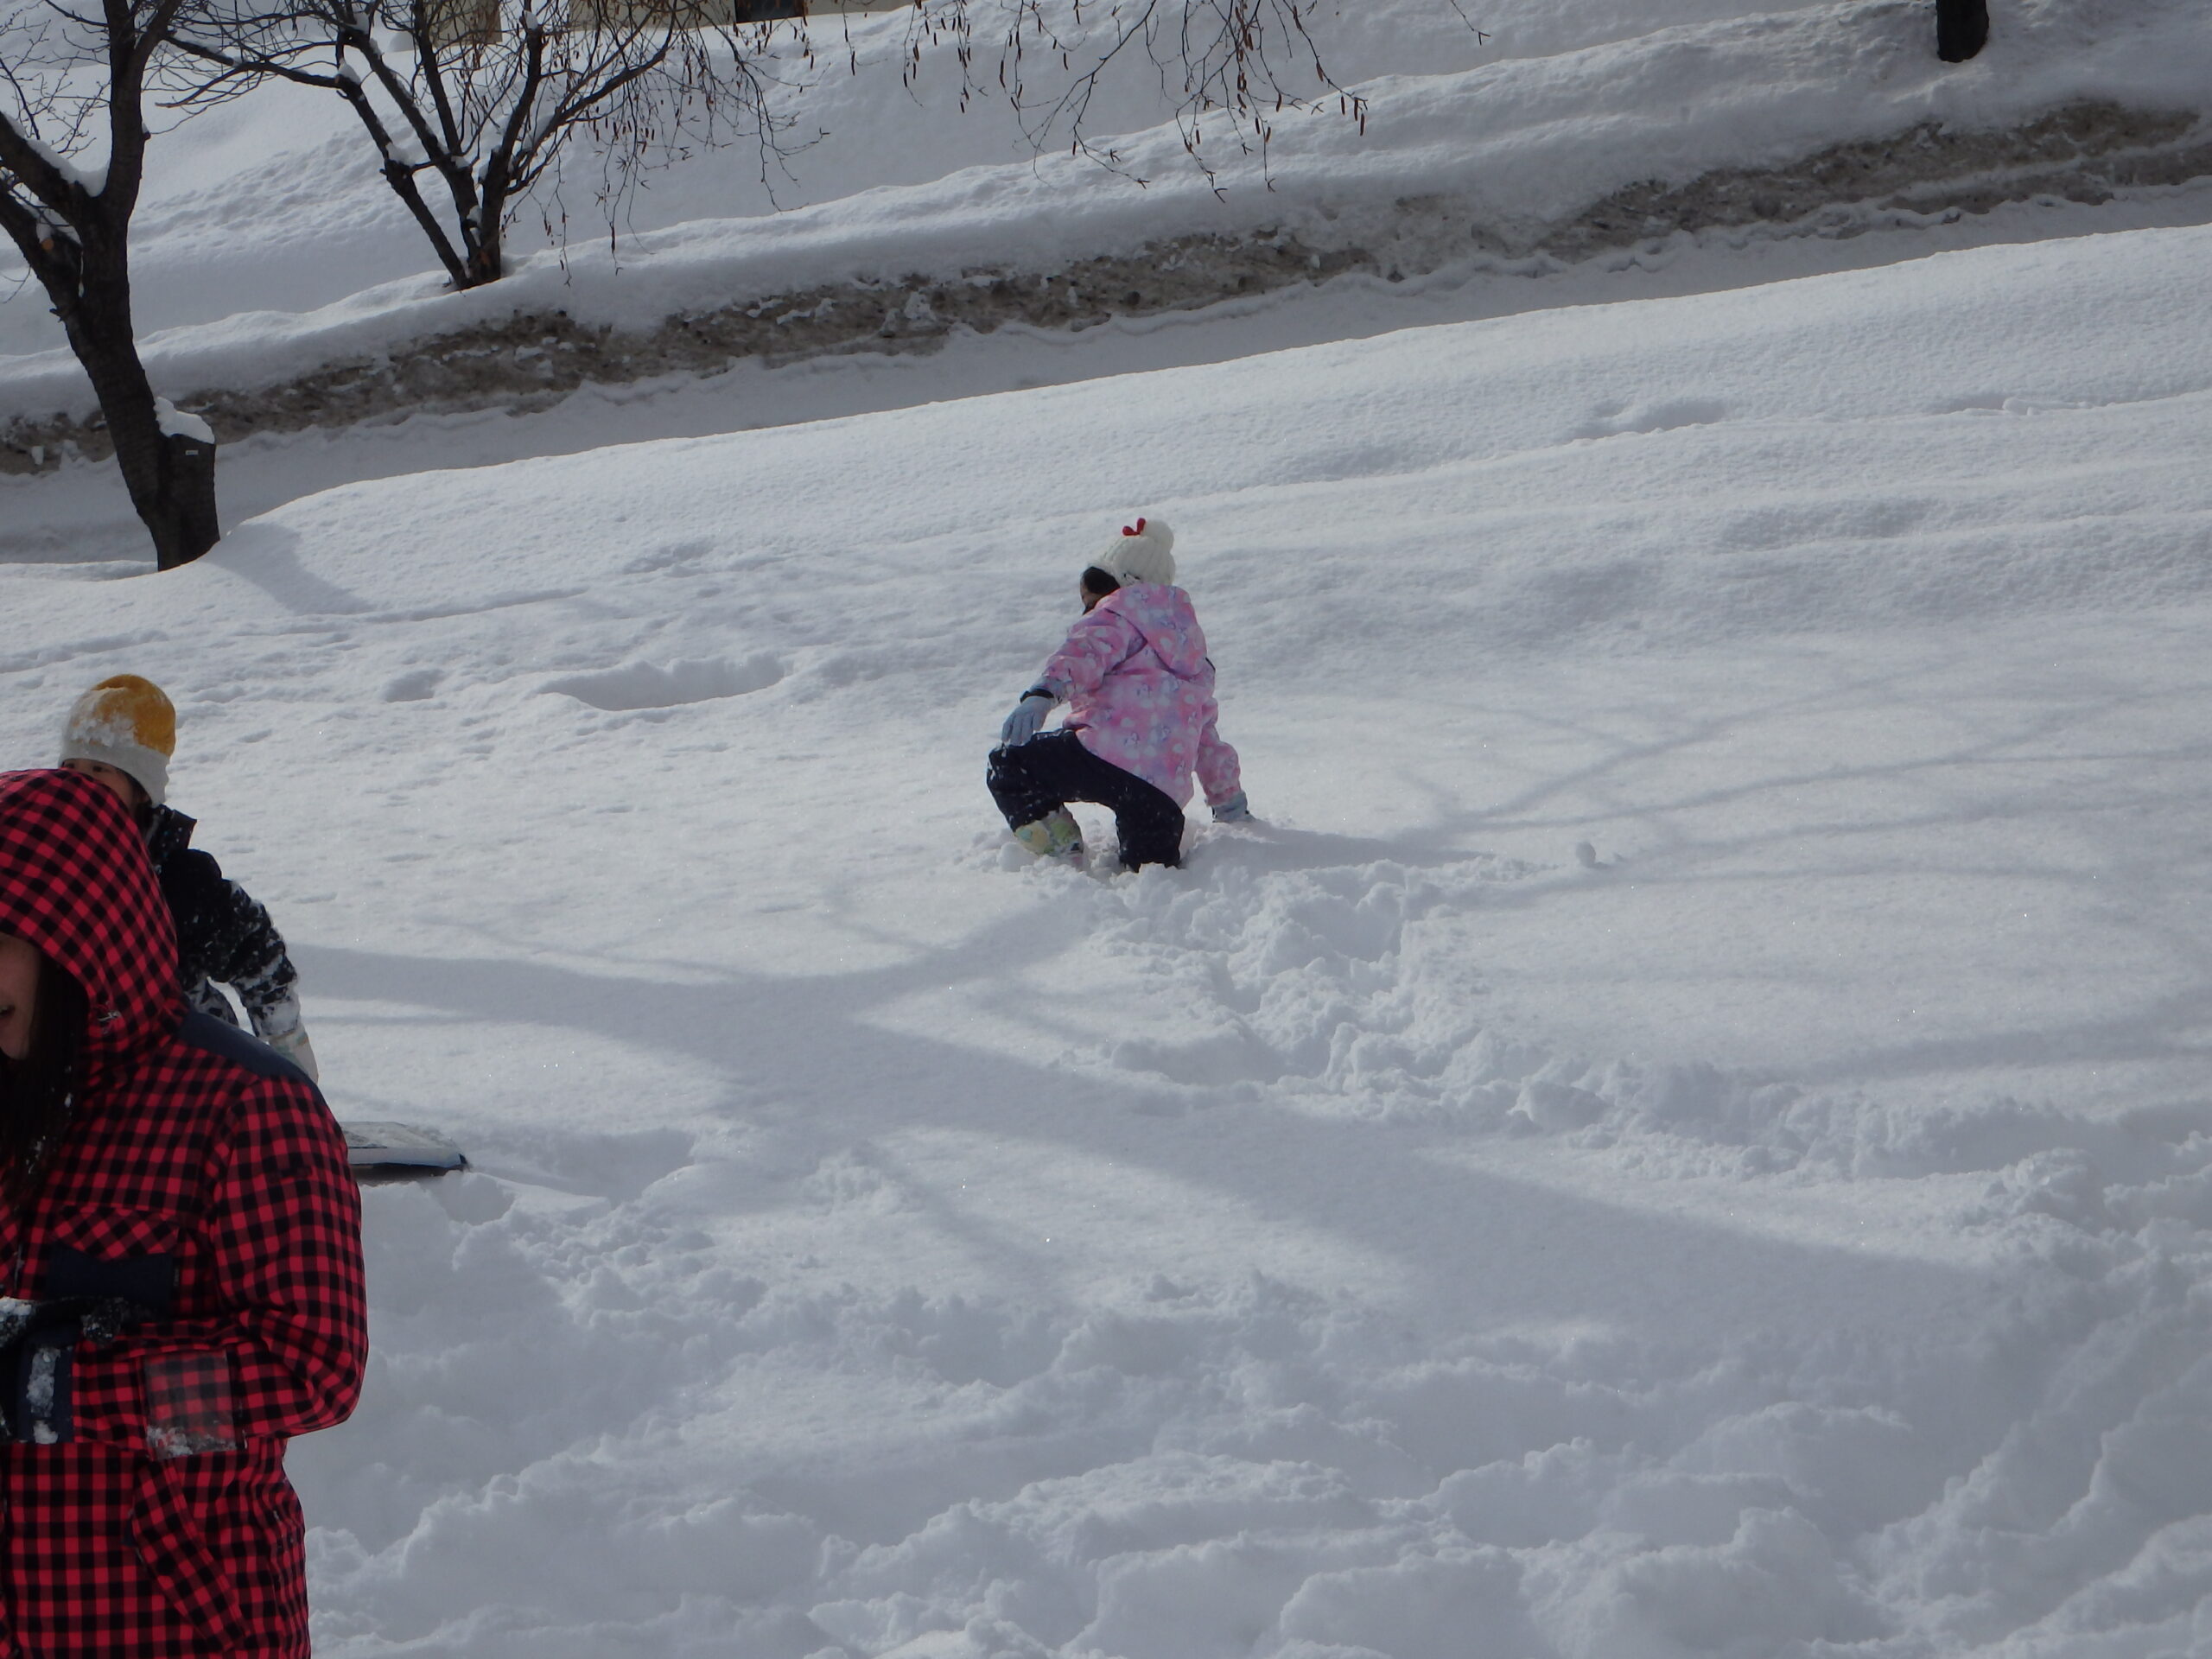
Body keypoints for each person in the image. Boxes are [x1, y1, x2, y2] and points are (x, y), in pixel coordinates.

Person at [0, 766, 366, 1656]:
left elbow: (312, 1367)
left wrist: (65, 1389)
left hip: (171, 1620)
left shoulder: (244, 1108)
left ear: (79, 937)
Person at [57, 674, 320, 1081]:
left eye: (99, 769)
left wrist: (285, 1041)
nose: (80, 782)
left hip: (185, 1063)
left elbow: (255, 950)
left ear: (140, 790)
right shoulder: (40, 863)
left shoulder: (179, 881)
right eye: (70, 767)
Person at [988, 516, 1249, 870]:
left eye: (1091, 601)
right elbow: (1206, 739)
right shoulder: (1195, 661)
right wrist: (1228, 798)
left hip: (1101, 757)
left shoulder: (1119, 614)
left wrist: (1043, 694)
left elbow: (1083, 654)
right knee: (1150, 871)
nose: (1088, 612)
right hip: (1161, 792)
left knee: (1009, 766)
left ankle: (1061, 850)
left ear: (1118, 587)